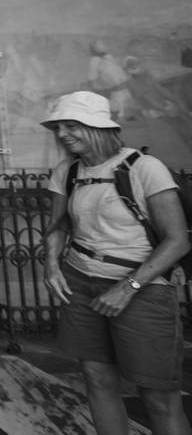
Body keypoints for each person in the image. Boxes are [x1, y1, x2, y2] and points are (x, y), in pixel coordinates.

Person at [42, 91, 191, 435]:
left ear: (97, 127)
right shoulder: (67, 171)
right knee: (97, 380)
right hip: (79, 283)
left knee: (158, 395)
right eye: (58, 127)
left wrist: (129, 287)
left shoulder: (144, 168)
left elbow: (177, 239)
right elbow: (58, 224)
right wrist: (51, 265)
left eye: (71, 125)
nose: (62, 133)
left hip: (143, 290)